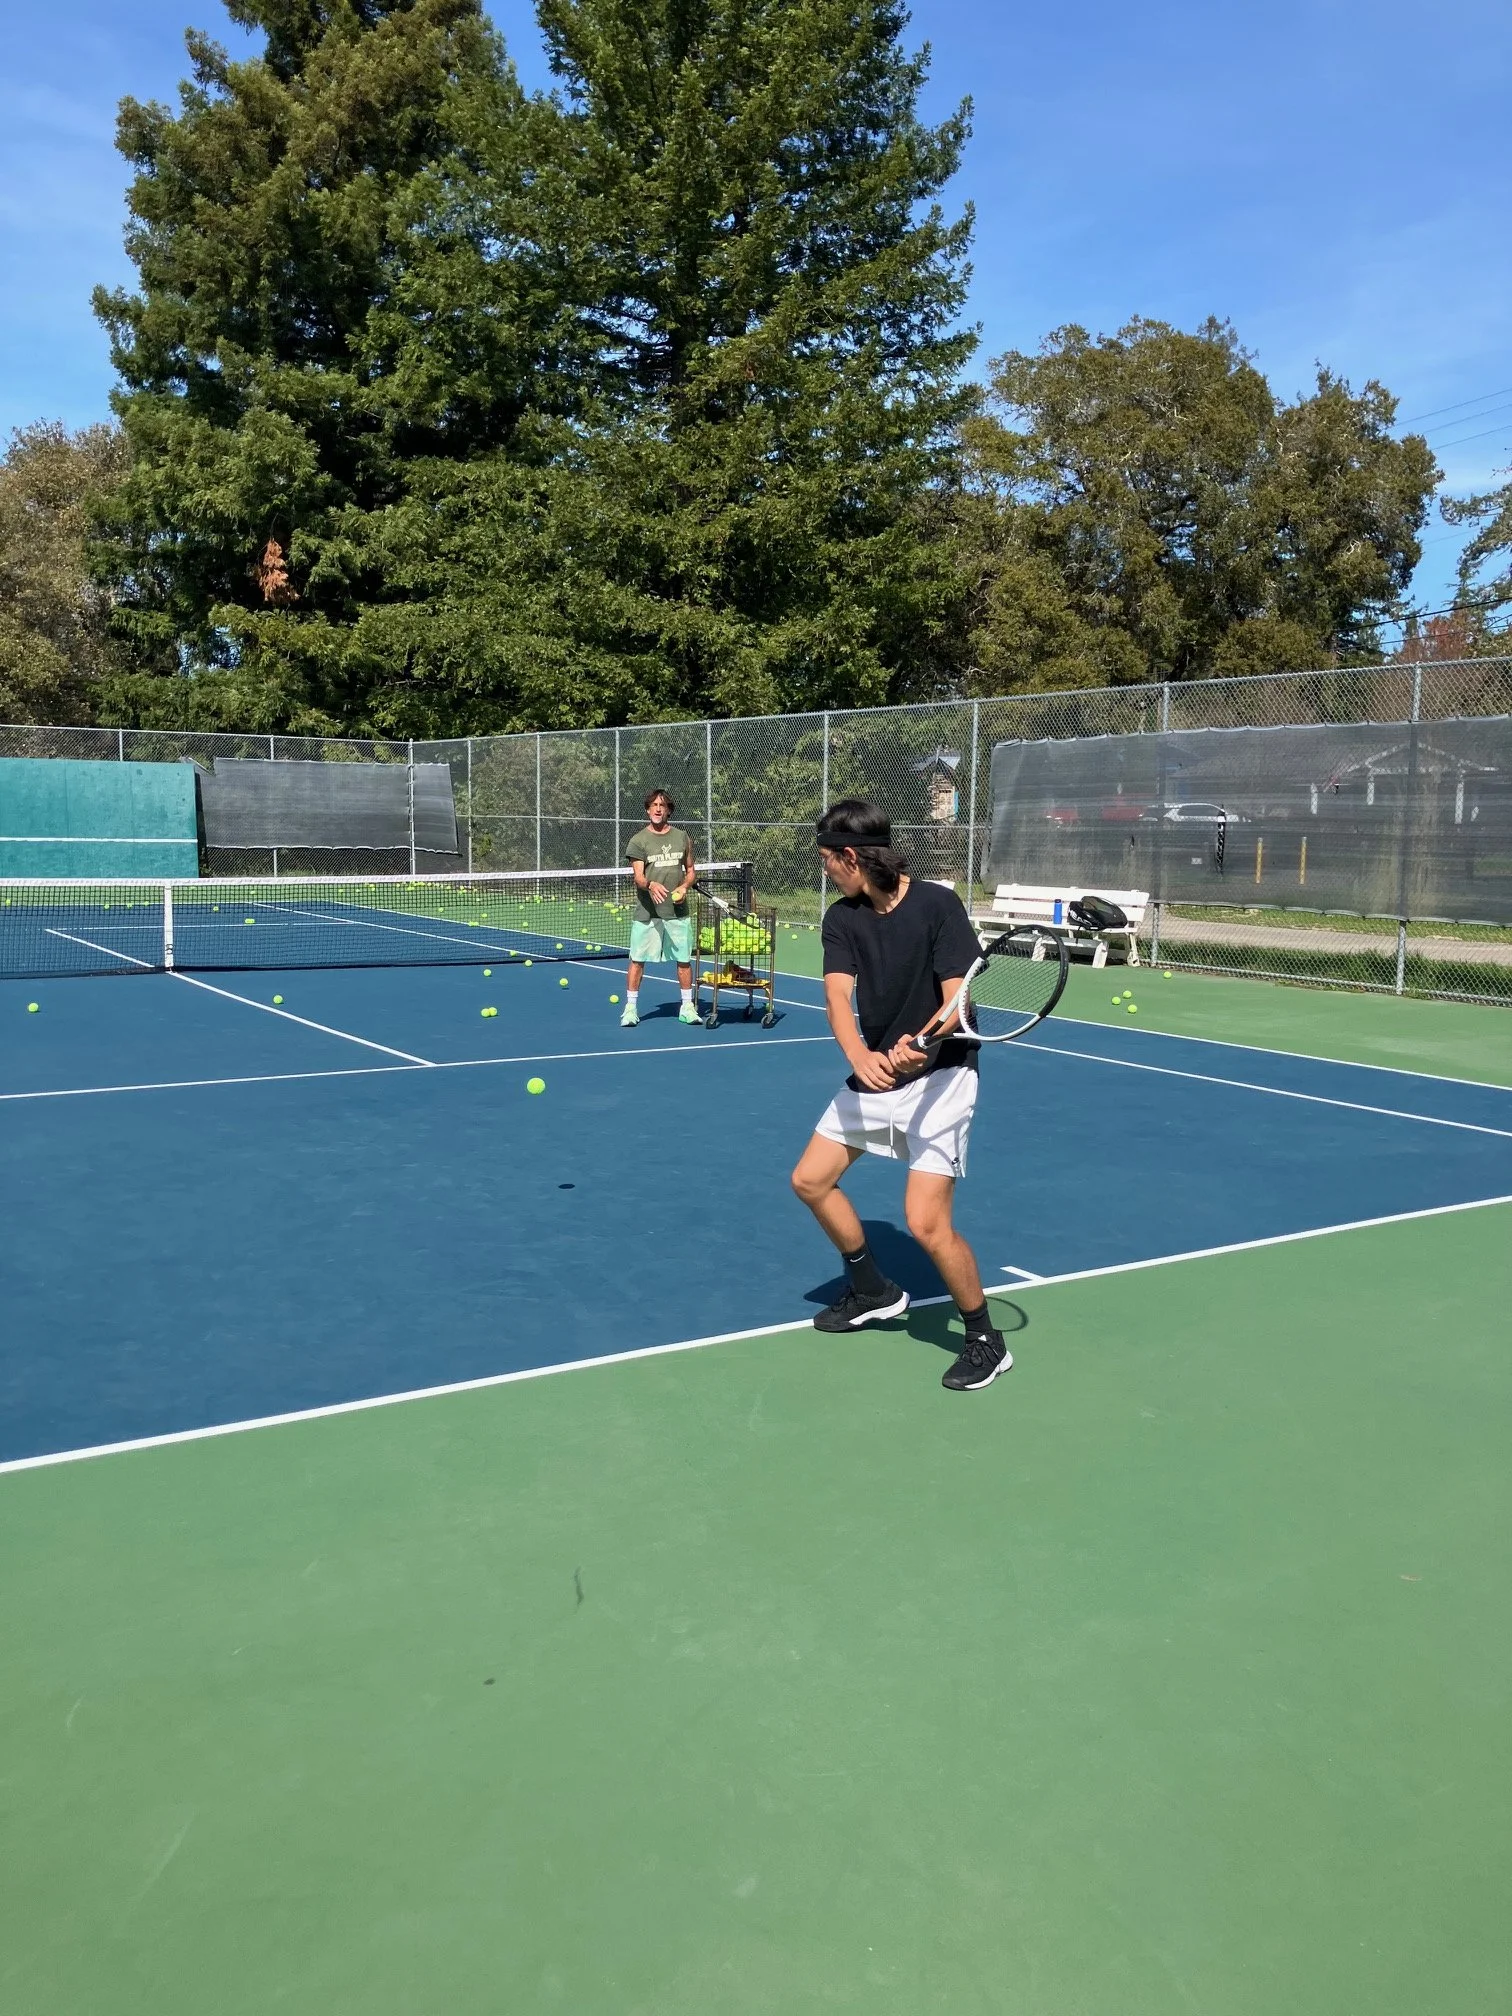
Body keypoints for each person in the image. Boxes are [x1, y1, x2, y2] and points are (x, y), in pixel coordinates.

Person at [789, 799, 1011, 1392]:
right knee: (810, 1179)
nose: (825, 870)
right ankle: (872, 1290)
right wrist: (860, 1056)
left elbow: (957, 998)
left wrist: (923, 1042)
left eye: (826, 860)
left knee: (925, 1223)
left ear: (850, 856)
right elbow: (837, 997)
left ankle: (985, 1339)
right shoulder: (842, 918)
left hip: (944, 1077)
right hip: (879, 1073)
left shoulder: (938, 905)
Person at [621, 788, 700, 1026]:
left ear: (668, 811)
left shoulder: (682, 837)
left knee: (684, 960)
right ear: (648, 810)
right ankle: (630, 1009)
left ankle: (687, 1007)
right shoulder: (638, 841)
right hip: (647, 913)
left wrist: (684, 887)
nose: (657, 809)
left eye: (662, 805)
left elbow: (691, 871)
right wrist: (651, 884)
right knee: (637, 960)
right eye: (654, 805)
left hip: (677, 912)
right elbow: (638, 878)